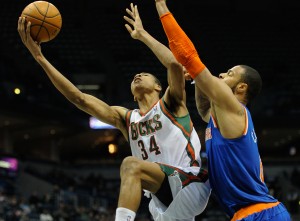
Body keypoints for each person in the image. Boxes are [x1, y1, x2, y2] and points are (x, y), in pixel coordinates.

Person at [17, 3, 211, 221]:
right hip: (161, 197)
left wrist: (143, 35)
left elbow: (174, 65)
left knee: (131, 164)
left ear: (159, 87)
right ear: (132, 94)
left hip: (189, 183)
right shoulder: (127, 118)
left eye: (144, 74)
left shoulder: (171, 103)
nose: (137, 75)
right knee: (135, 170)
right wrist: (40, 58)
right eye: (134, 76)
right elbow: (78, 98)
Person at [153, 0, 291, 220]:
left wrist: (161, 7)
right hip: (248, 213)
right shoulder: (224, 116)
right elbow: (203, 110)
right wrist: (198, 82)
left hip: (261, 214)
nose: (221, 75)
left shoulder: (234, 108)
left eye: (229, 73)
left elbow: (188, 56)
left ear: (241, 87)